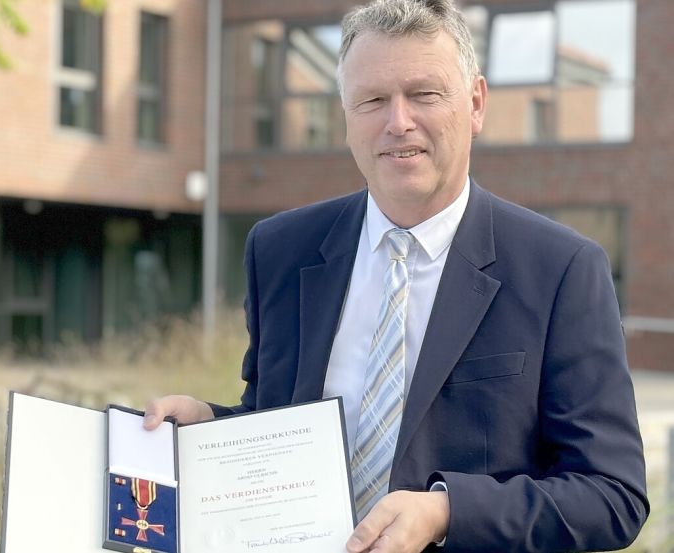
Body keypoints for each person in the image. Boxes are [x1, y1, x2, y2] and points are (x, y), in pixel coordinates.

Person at [143, 0, 649, 551]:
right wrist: (209, 428)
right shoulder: (281, 250)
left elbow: (612, 494)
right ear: (346, 114)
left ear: (476, 104)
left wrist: (448, 511)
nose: (398, 121)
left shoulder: (561, 270)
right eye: (372, 99)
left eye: (424, 94)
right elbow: (274, 425)